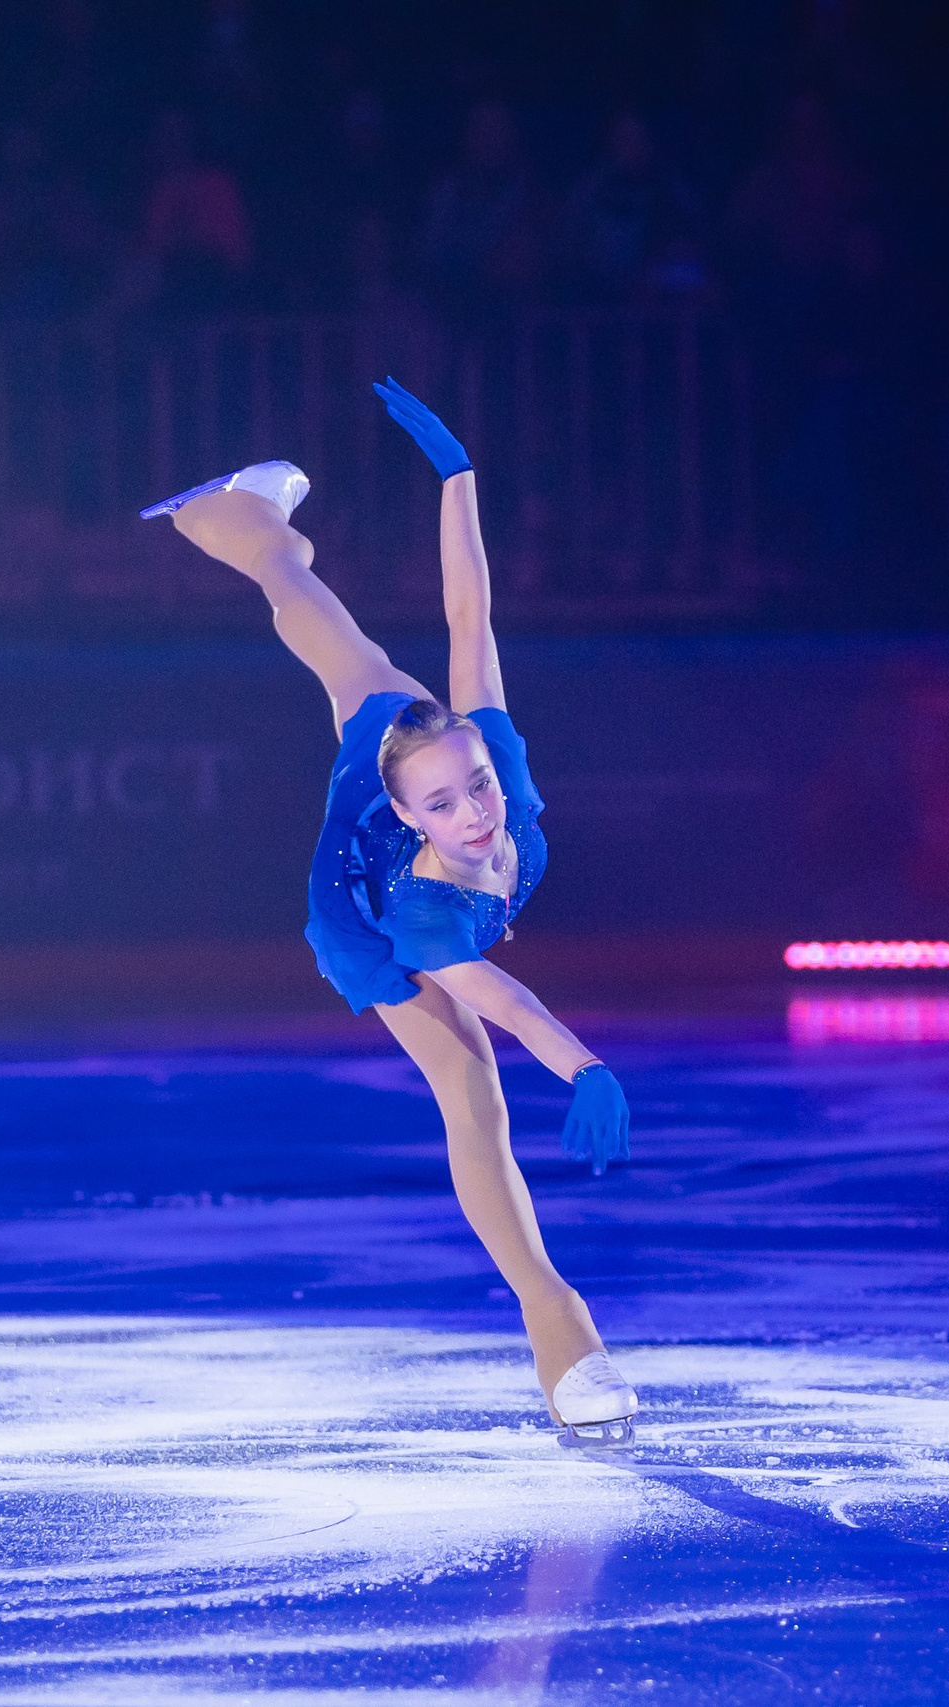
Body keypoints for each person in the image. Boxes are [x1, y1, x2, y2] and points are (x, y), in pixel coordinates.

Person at [139, 381, 639, 1443]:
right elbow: (496, 996)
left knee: (347, 647)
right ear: (407, 811)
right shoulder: (413, 910)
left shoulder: (482, 757)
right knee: (470, 1079)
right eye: (444, 805)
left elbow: (472, 615)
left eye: (478, 791)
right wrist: (582, 1067)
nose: (473, 815)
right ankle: (562, 1335)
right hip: (357, 902)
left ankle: (241, 512)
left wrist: (457, 479)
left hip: (393, 736)